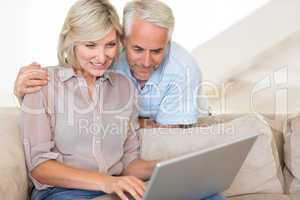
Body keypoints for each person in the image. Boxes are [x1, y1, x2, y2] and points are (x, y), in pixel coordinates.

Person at [21, 1, 156, 199]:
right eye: (91, 45)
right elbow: (39, 167)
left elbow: (129, 163)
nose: (102, 57)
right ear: (71, 42)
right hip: (61, 192)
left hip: (114, 190)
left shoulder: (125, 87)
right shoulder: (42, 84)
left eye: (110, 45)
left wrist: (167, 167)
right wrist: (107, 182)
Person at [14, 0, 208, 129]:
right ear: (123, 39)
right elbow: (68, 100)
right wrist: (25, 94)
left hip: (183, 130)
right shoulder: (108, 57)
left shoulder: (184, 69)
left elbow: (165, 140)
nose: (146, 62)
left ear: (168, 43)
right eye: (138, 49)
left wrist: (116, 121)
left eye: (157, 51)